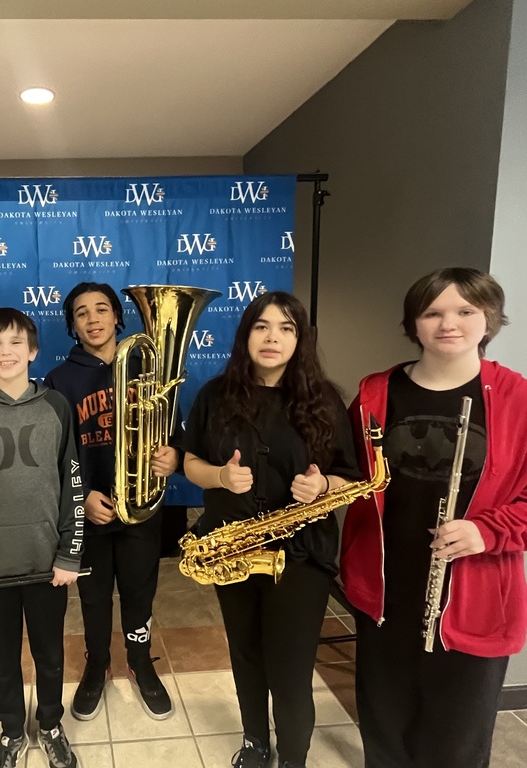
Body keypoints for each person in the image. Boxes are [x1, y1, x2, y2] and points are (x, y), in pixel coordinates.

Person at [341, 267, 527, 768]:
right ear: (414, 322)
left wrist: (489, 530)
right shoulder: (375, 393)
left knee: (455, 743)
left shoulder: (523, 400)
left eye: (464, 311)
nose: (447, 323)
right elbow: (347, 474)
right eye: (432, 312)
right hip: (386, 594)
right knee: (384, 729)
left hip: (473, 599)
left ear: (489, 319)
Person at [183, 291, 358, 768]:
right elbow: (189, 460)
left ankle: (293, 758)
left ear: (300, 339)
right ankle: (256, 743)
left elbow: (351, 475)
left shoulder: (324, 401)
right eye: (261, 326)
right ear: (246, 335)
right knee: (246, 653)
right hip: (232, 549)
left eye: (286, 327)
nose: (272, 337)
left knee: (290, 666)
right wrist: (219, 476)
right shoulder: (214, 395)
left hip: (299, 553)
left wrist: (323, 485)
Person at [0, 308, 85, 768]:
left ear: (33, 351)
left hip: (49, 565)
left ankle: (49, 724)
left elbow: (74, 485)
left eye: (15, 343)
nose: (6, 352)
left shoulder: (57, 408)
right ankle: (11, 731)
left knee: (50, 655)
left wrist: (70, 553)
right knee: (3, 660)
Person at [44, 282, 182, 722]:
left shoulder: (149, 366)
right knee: (94, 596)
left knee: (140, 592)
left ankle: (140, 662)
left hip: (141, 506)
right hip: (92, 512)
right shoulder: (59, 380)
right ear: (72, 326)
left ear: (119, 317)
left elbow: (173, 430)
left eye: (102, 309)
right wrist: (80, 500)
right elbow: (54, 455)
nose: (93, 318)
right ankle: (96, 663)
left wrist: (173, 454)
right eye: (81, 313)